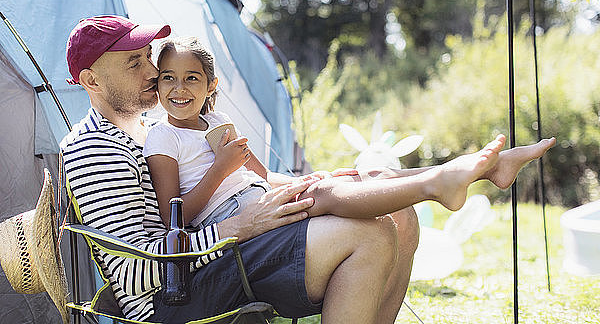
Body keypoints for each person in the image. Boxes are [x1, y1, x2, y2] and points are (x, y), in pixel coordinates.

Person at [60, 15, 555, 324]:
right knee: (370, 236)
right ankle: (446, 179)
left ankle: (456, 175)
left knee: (392, 213)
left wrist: (304, 180)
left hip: (215, 248)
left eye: (149, 60)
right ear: (89, 80)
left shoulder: (144, 132)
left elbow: (236, 180)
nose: (151, 73)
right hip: (178, 292)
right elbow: (136, 265)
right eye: (134, 65)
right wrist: (237, 226)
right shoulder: (93, 149)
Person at [143, 37, 554, 232]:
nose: (180, 89)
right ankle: (439, 184)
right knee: (326, 197)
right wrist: (220, 169)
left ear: (211, 86)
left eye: (192, 78)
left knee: (355, 177)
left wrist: (311, 177)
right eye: (169, 79)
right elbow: (172, 214)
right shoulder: (162, 137)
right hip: (232, 221)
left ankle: (481, 169)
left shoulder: (217, 125)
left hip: (259, 196)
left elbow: (264, 177)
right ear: (157, 85)